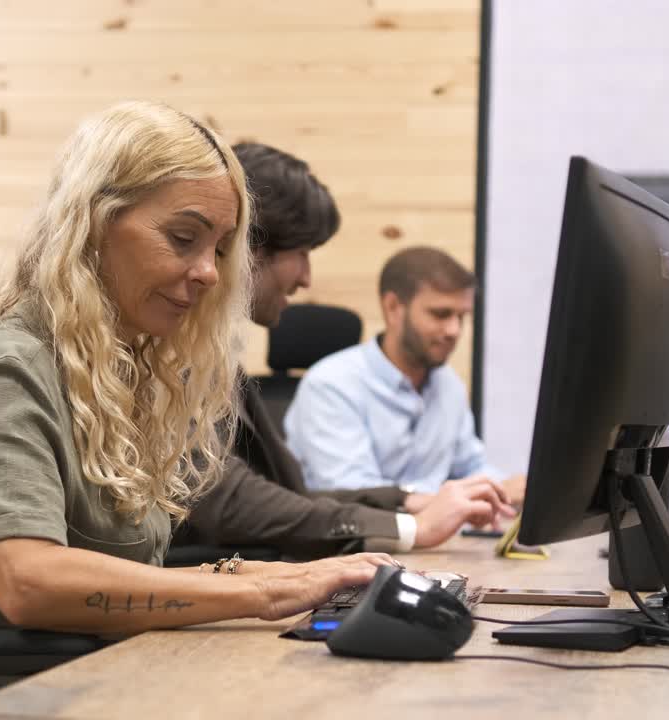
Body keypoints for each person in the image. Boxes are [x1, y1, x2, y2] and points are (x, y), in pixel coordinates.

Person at [0, 102, 396, 715]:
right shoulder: (12, 369)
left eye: (221, 248)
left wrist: (281, 578)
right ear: (94, 223)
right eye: (183, 239)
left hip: (93, 674)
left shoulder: (122, 373)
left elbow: (126, 572)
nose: (210, 272)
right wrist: (256, 595)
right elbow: (28, 582)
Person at [174, 144, 514, 559]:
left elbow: (294, 496)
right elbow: (226, 500)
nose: (306, 278)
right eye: (302, 254)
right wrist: (410, 527)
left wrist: (406, 502)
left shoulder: (215, 355)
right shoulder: (175, 355)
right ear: (249, 247)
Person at [285, 246, 525, 502]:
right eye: (441, 314)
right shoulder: (330, 385)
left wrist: (505, 489)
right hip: (355, 539)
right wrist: (453, 501)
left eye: (461, 317)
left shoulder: (449, 385)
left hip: (434, 539)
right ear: (393, 308)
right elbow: (354, 494)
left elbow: (470, 466)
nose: (454, 330)